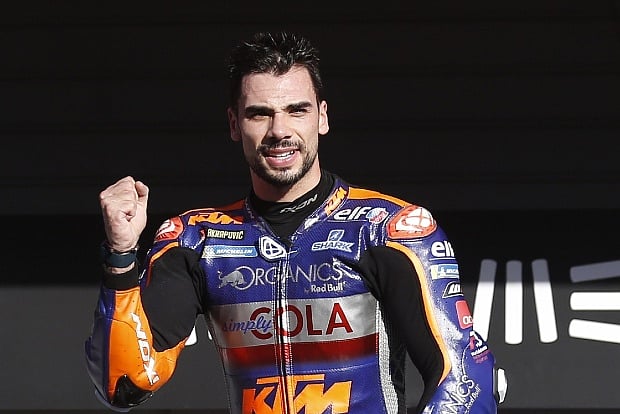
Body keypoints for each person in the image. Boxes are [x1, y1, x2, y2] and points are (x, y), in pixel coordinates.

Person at [85, 31, 507, 413]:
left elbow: (465, 379)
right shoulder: (198, 240)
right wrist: (121, 255)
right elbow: (124, 384)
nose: (279, 130)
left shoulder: (388, 229)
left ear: (322, 117)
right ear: (234, 124)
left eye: (296, 110)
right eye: (259, 114)